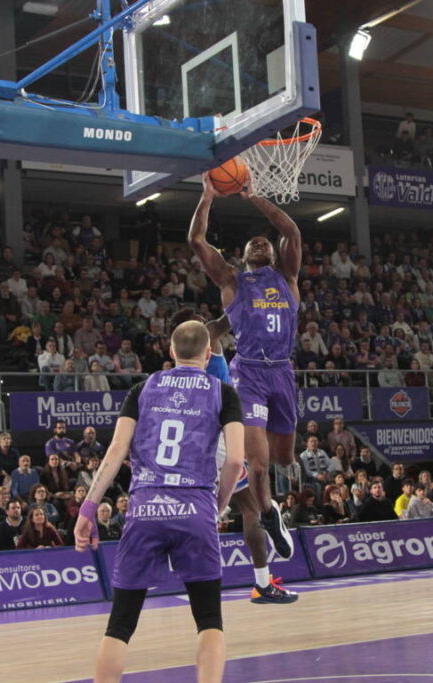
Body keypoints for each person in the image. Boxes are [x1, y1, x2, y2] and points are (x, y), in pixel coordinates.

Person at [73, 320, 245, 683]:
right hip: (195, 507)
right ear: (209, 353)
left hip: (146, 505)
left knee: (120, 623)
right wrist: (218, 505)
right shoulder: (223, 392)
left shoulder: (143, 388)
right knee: (209, 619)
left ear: (170, 351)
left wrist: (88, 507)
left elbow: (117, 450)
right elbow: (234, 461)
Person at [188, 174, 299, 561]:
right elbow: (197, 241)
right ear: (243, 253)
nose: (259, 242)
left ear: (273, 253)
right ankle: (269, 513)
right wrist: (207, 196)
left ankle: (268, 501)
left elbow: (290, 229)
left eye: (264, 242)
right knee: (258, 462)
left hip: (283, 372)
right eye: (252, 242)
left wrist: (255, 196)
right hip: (249, 373)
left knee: (284, 458)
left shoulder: (287, 277)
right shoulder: (232, 280)